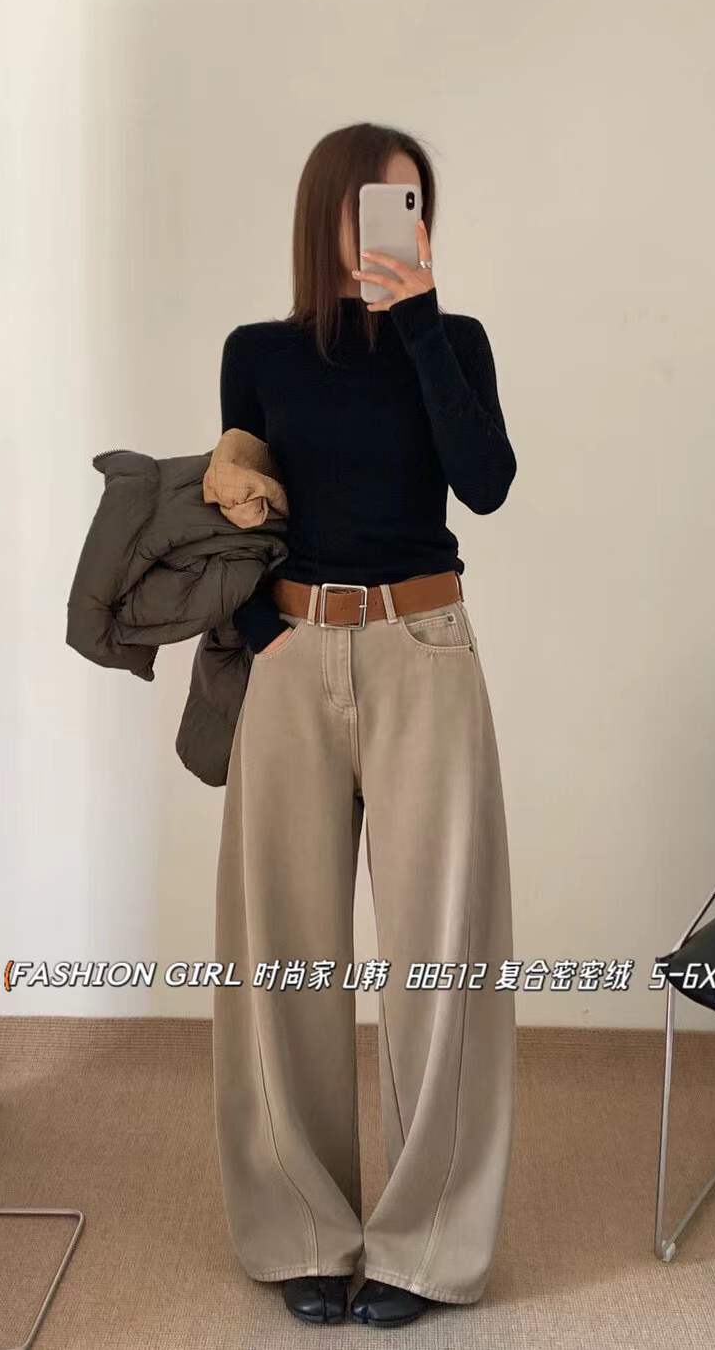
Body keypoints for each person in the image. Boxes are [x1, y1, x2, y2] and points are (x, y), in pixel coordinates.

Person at [211, 121, 517, 1328]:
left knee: (444, 950)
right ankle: (301, 1225)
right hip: (293, 655)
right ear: (324, 212)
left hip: (421, 647)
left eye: (413, 203)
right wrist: (265, 628)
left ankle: (425, 1245)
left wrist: (422, 320)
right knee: (280, 947)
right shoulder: (256, 354)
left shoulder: (457, 340)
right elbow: (244, 510)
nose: (396, 221)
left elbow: (486, 482)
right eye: (375, 202)